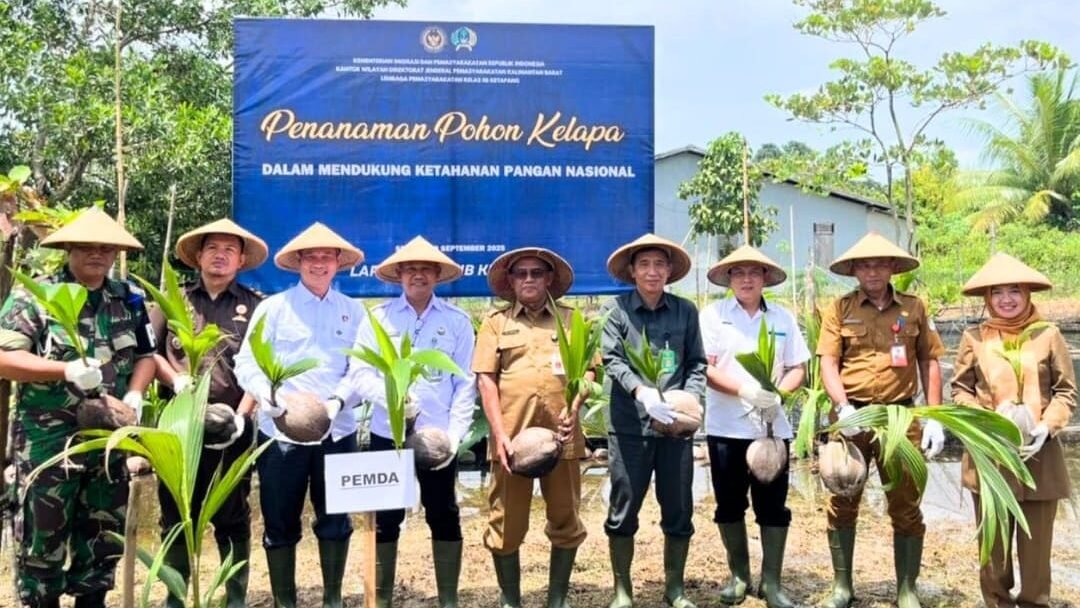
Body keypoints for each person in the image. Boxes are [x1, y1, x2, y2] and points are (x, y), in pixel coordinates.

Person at [0, 207, 156, 608]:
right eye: (87, 245)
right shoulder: (36, 297)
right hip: (48, 443)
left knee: (103, 538)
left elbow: (145, 355)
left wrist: (136, 393)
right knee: (42, 540)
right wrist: (62, 368)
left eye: (106, 247)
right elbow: (3, 358)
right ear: (69, 247)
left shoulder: (128, 301)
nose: (97, 253)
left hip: (107, 442)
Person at [234, 222, 366, 608]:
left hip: (337, 433)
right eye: (311, 256)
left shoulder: (354, 312)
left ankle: (332, 599)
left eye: (327, 256)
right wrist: (268, 398)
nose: (319, 263)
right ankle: (285, 601)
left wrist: (338, 402)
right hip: (281, 436)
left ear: (338, 262)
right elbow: (247, 363)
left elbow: (361, 369)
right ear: (298, 262)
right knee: (279, 523)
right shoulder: (273, 309)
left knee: (336, 521)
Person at [816, 232, 946, 608]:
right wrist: (842, 407)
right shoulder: (838, 309)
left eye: (880, 263)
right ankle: (842, 587)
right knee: (843, 498)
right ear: (854, 270)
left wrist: (933, 416)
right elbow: (828, 362)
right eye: (864, 264)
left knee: (905, 503)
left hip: (900, 416)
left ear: (892, 268)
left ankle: (907, 588)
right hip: (851, 416)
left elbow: (929, 360)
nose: (872, 271)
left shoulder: (915, 308)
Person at [349, 236, 476, 608]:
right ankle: (382, 599)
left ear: (437, 275)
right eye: (410, 268)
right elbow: (359, 372)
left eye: (425, 268)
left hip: (437, 439)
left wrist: (454, 437)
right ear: (399, 274)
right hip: (386, 434)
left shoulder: (457, 321)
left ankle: (448, 599)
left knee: (444, 514)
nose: (418, 274)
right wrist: (391, 399)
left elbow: (465, 383)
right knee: (385, 519)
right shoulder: (378, 319)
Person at [150, 218, 268, 608]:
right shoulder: (172, 301)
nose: (220, 255)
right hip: (178, 427)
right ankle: (176, 596)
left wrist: (241, 416)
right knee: (177, 512)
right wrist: (176, 380)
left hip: (232, 428)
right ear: (198, 256)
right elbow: (147, 352)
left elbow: (264, 367)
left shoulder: (256, 305)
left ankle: (233, 597)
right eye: (212, 248)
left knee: (232, 514)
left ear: (240, 260)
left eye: (229, 250)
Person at [951, 252, 1076, 608]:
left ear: (1028, 295)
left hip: (1039, 455)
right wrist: (984, 421)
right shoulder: (974, 337)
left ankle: (1035, 603)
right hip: (990, 458)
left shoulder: (1048, 335)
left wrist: (1046, 426)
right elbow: (960, 389)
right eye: (998, 292)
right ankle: (997, 603)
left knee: (1037, 553)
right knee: (994, 550)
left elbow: (1066, 391)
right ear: (987, 298)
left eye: (1014, 291)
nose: (1006, 299)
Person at [472, 247, 589, 608]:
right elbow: (486, 381)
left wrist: (575, 406)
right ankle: (511, 600)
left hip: (563, 439)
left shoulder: (572, 321)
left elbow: (588, 372)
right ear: (510, 280)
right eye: (520, 273)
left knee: (566, 519)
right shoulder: (496, 323)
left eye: (536, 272)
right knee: (505, 524)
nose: (528, 279)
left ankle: (557, 599)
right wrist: (499, 434)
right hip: (512, 444)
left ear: (549, 278)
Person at [699, 245, 809, 608]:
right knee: (729, 504)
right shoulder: (714, 315)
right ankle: (739, 576)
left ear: (765, 278)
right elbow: (707, 367)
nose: (746, 279)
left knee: (773, 506)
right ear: (729, 279)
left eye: (754, 272)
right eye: (738, 272)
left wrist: (779, 394)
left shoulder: (782, 318)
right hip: (725, 427)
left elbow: (799, 368)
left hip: (771, 431)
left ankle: (772, 583)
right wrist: (744, 388)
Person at [600, 233, 707, 608]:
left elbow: (697, 363)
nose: (652, 271)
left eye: (659, 264)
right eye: (644, 264)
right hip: (630, 426)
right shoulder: (616, 312)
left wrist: (692, 399)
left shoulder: (685, 312)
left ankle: (674, 589)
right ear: (631, 270)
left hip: (675, 428)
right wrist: (642, 393)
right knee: (624, 506)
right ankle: (622, 590)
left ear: (669, 271)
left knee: (678, 507)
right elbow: (612, 360)